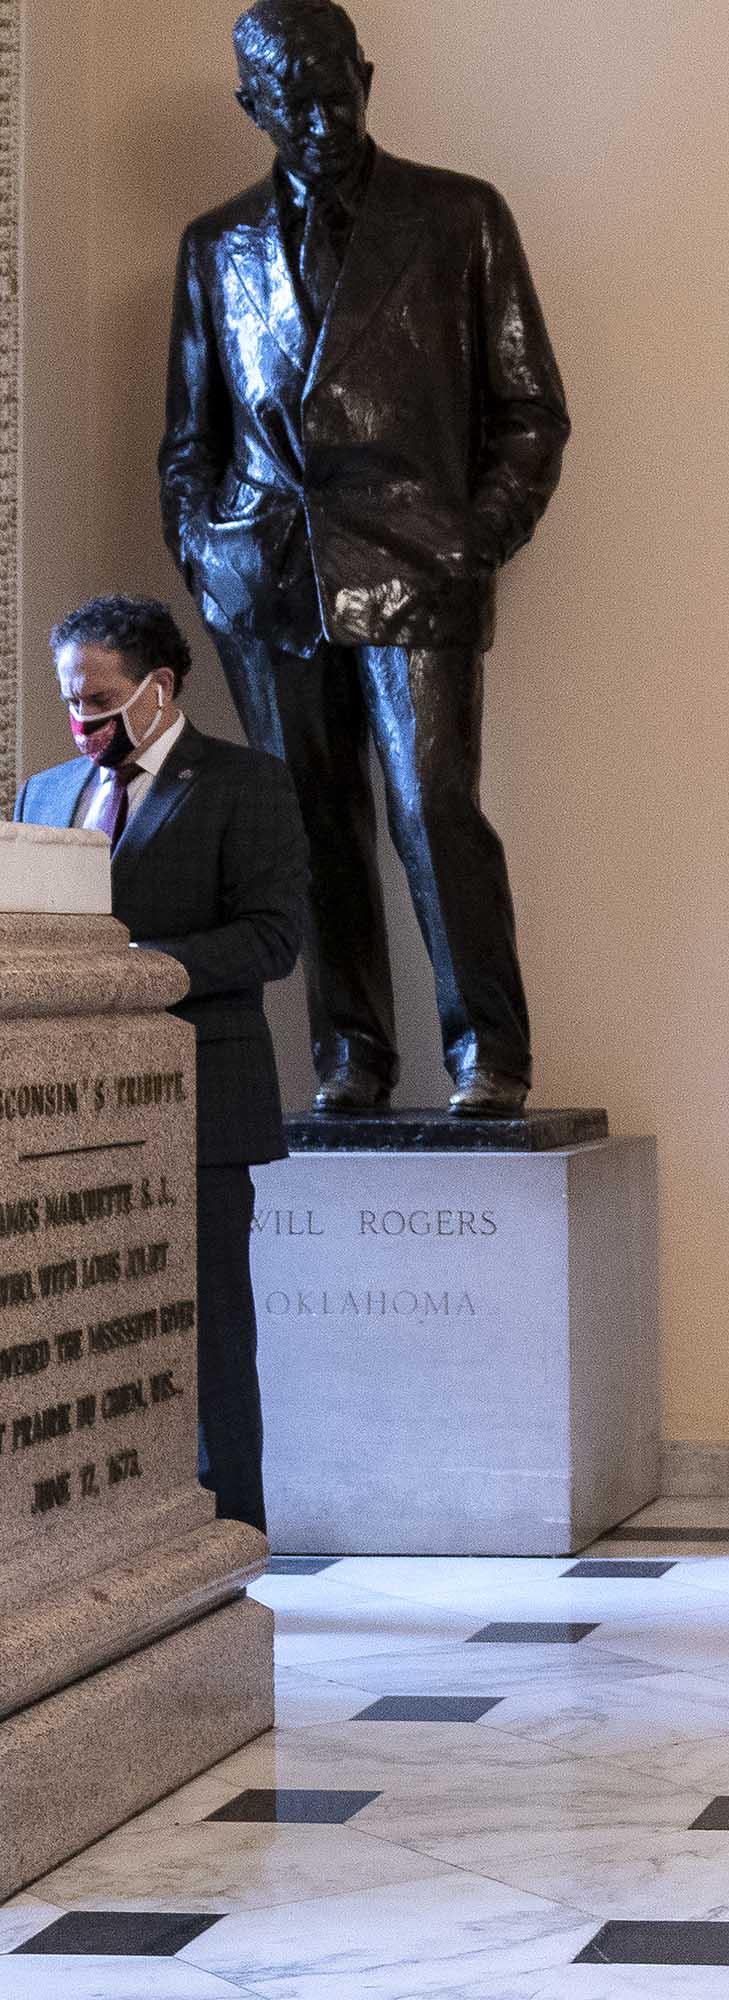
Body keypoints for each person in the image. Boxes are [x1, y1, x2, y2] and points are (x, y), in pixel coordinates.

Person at [160, 0, 568, 1118]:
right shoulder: (216, 245)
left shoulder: (458, 217)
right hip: (270, 579)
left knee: (435, 806)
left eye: (336, 85)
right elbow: (188, 444)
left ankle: (489, 1049)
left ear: (367, 74)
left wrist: (470, 541)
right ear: (254, 107)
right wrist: (209, 561)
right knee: (310, 819)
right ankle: (353, 1050)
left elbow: (530, 412)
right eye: (291, 97)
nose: (320, 112)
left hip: (415, 566)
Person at [15, 595, 308, 1530]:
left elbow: (272, 939)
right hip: (63, 1115)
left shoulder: (243, 783)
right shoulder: (43, 797)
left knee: (211, 1333)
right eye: (70, 702)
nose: (81, 723)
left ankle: (233, 1540)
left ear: (159, 689)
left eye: (98, 703)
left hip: (201, 1098)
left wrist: (145, 972)